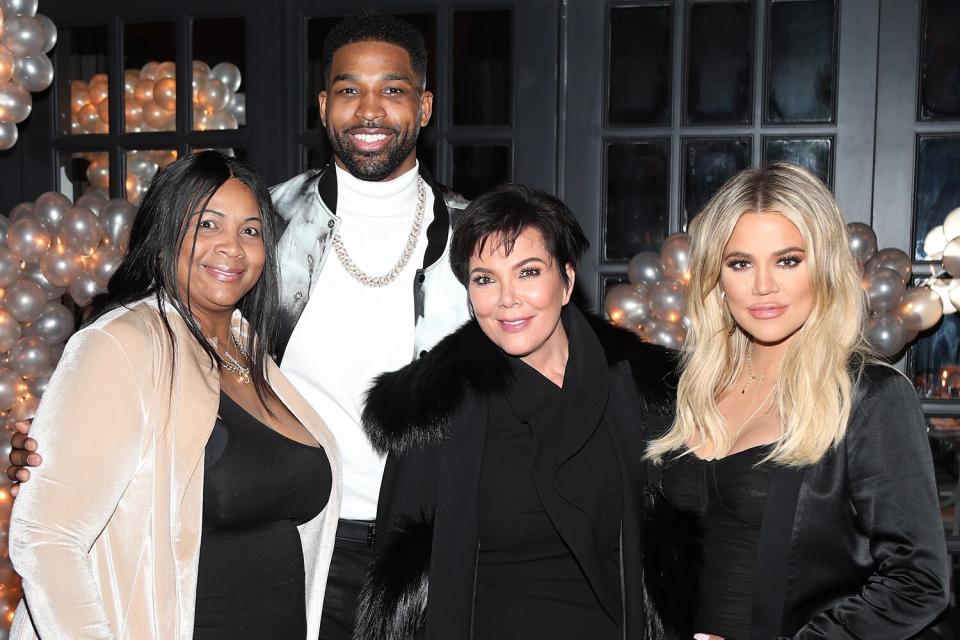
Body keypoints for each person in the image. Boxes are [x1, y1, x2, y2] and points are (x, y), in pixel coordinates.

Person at [7, 14, 469, 640]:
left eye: (392, 89)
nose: (369, 110)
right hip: (309, 544)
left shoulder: (479, 240)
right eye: (347, 90)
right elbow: (156, 352)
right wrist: (57, 448)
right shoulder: (267, 221)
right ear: (323, 103)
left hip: (439, 548)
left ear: (424, 105)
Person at [7, 151, 342, 639]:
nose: (232, 247)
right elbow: (47, 538)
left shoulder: (253, 352)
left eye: (250, 230)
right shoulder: (122, 344)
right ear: (165, 236)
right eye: (208, 225)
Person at [352, 183, 678, 639]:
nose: (507, 298)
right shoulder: (433, 409)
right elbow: (397, 586)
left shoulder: (638, 394)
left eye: (528, 272)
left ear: (565, 281)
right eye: (485, 279)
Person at [646, 162, 949, 639]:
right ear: (716, 279)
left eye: (788, 260)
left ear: (824, 268)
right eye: (740, 263)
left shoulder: (869, 399)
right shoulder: (685, 393)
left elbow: (919, 582)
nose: (763, 285)